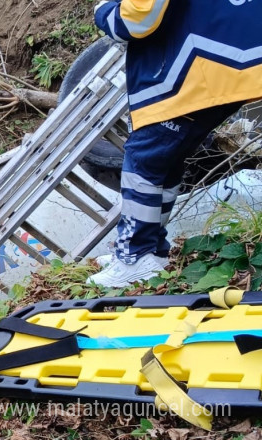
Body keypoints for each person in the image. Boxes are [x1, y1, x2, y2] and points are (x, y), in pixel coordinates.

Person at [86, 0, 262, 287]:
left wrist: (104, 12)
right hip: (229, 56)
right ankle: (150, 249)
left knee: (145, 156)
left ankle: (134, 255)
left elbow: (139, 17)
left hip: (198, 60)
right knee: (166, 155)